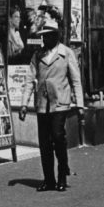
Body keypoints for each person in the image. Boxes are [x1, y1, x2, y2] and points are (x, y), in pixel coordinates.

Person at [20, 21, 84, 192]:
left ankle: (62, 175)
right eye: (43, 36)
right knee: (44, 143)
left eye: (48, 35)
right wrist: (24, 104)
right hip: (42, 104)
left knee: (57, 137)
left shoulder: (66, 53)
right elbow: (29, 80)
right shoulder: (38, 55)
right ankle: (49, 180)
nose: (45, 39)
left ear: (56, 36)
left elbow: (76, 80)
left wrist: (80, 105)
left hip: (60, 103)